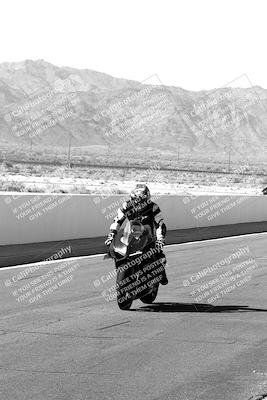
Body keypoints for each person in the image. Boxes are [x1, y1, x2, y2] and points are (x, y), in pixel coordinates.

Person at [105, 184, 168, 285]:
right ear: (132, 198)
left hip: (148, 236)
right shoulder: (126, 206)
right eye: (136, 200)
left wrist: (160, 238)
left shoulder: (153, 207)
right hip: (130, 233)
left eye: (142, 201)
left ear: (147, 199)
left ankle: (161, 272)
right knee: (117, 250)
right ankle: (122, 270)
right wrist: (111, 234)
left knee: (157, 252)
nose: (139, 204)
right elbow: (117, 220)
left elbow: (160, 223)